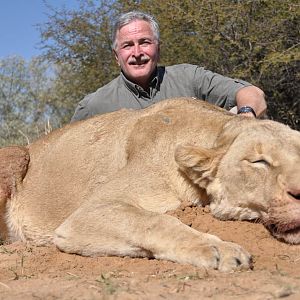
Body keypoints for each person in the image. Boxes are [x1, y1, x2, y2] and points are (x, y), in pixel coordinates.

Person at [71, 11, 266, 122]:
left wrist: (245, 117)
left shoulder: (190, 78)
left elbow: (252, 93)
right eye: (127, 45)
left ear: (158, 48)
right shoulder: (94, 106)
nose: (137, 53)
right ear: (116, 56)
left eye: (145, 42)